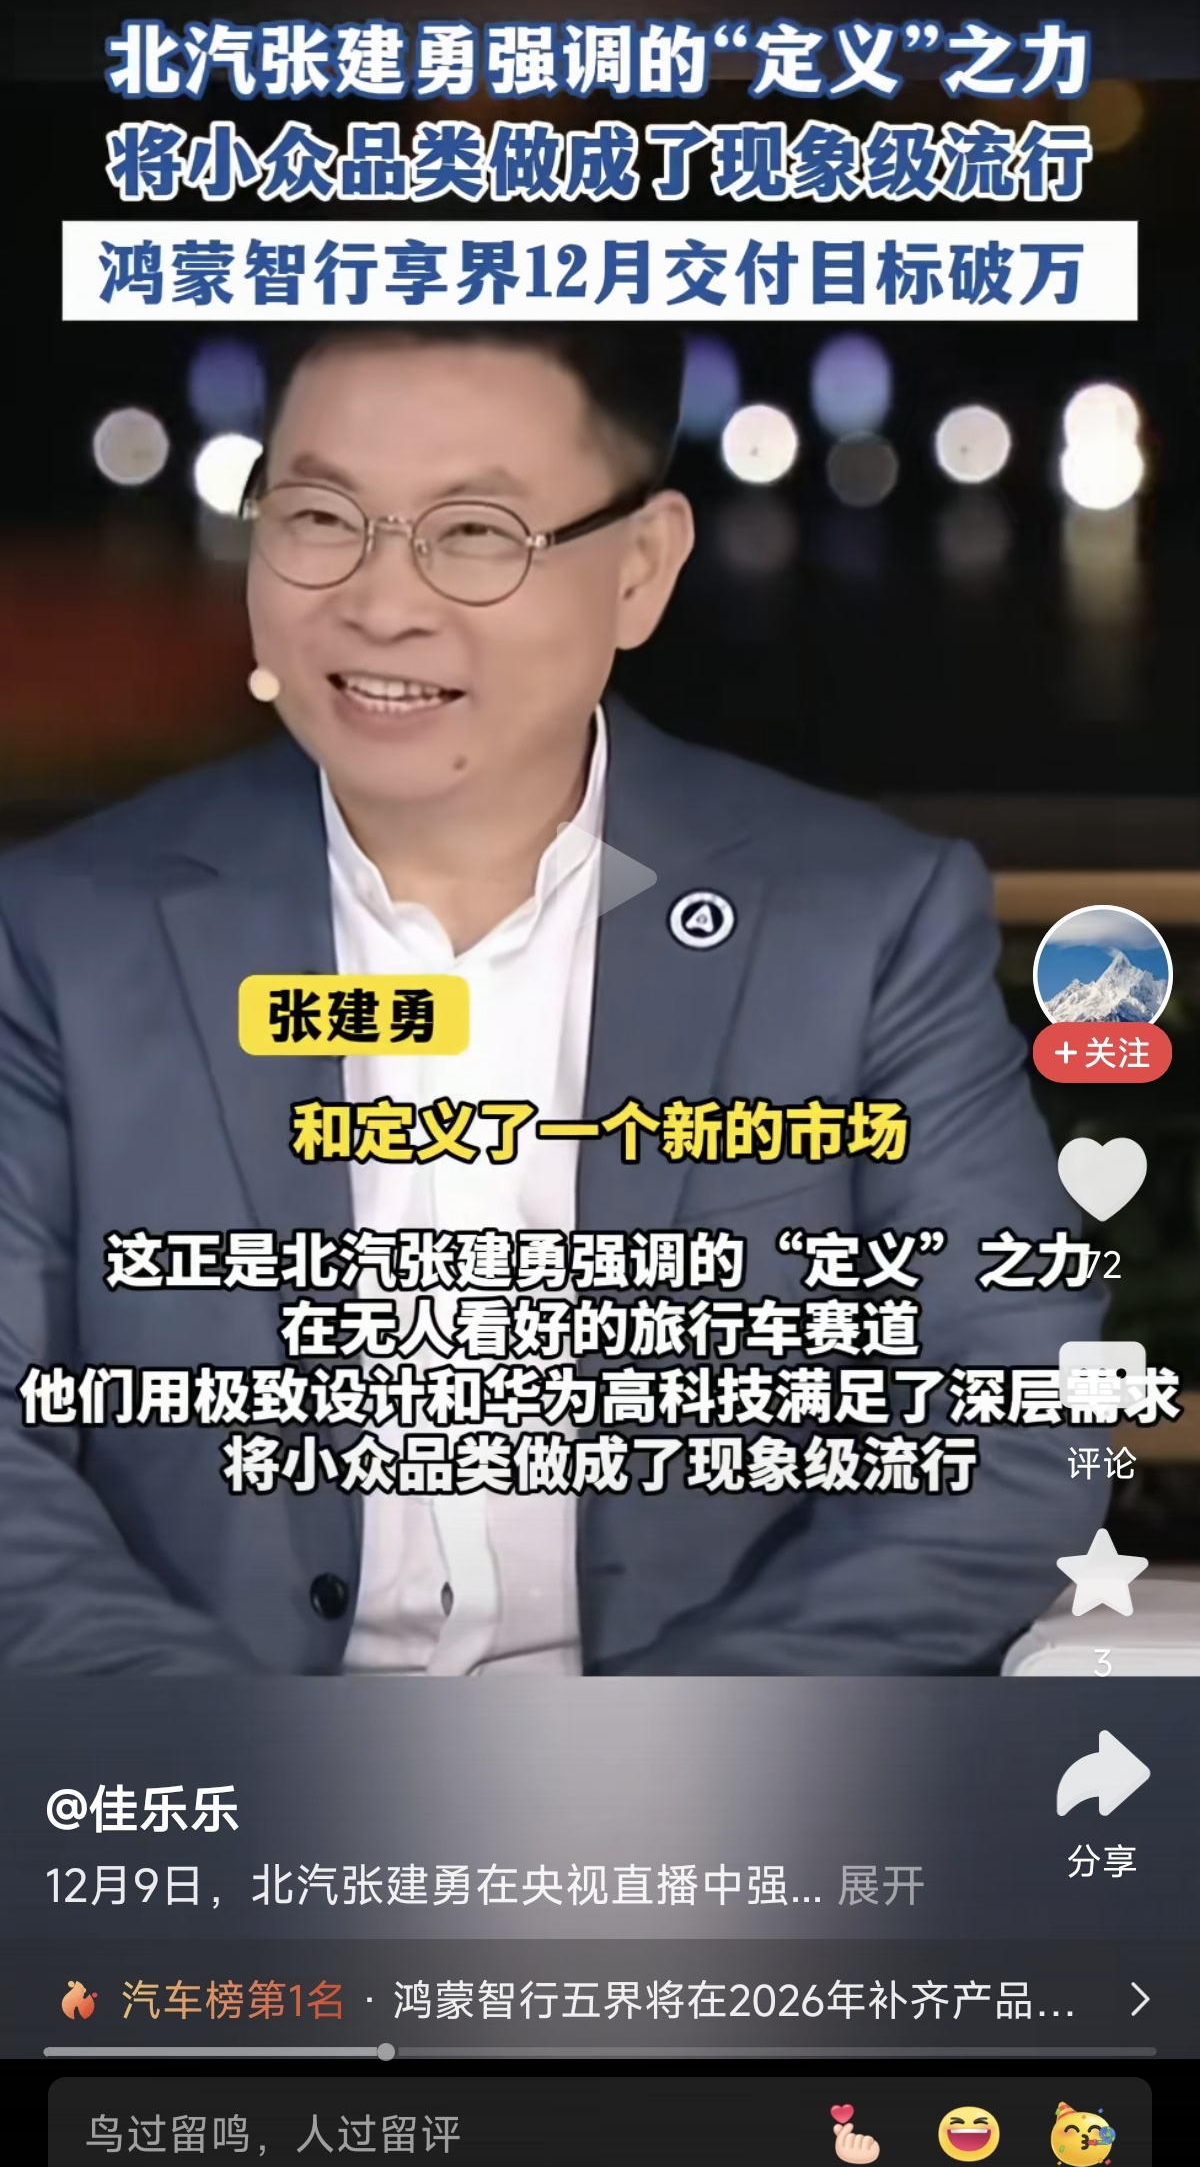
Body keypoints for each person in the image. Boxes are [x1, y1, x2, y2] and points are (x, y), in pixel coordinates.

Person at [0, 322, 1102, 1673]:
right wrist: (251, 1767)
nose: (380, 603)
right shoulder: (63, 932)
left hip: (709, 1765)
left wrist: (643, 1770)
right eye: (320, 517)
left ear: (640, 569)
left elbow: (1019, 1424)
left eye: (474, 533)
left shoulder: (860, 921)